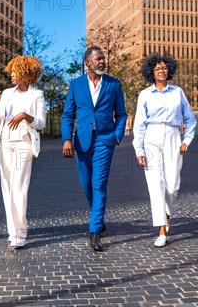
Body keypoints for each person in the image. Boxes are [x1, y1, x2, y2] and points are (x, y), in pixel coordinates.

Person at [61, 46, 127, 252]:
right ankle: (97, 216)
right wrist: (66, 140)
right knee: (86, 183)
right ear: (88, 62)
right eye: (98, 59)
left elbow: (122, 114)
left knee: (99, 184)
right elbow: (67, 115)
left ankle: (95, 231)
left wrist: (117, 136)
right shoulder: (76, 85)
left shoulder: (114, 84)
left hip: (105, 141)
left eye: (103, 59)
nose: (102, 62)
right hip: (81, 141)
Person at [132, 54, 196, 248]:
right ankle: (161, 230)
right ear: (151, 72)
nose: (162, 71)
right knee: (155, 183)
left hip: (172, 135)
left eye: (165, 68)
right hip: (151, 136)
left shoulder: (177, 92)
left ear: (170, 70)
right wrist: (139, 150)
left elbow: (191, 120)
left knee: (172, 185)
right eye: (158, 68)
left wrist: (187, 139)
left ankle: (166, 215)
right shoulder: (145, 94)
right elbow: (139, 125)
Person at [0, 56, 45, 250]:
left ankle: (20, 233)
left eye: (14, 71)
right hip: (5, 142)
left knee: (19, 187)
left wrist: (25, 116)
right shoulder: (7, 93)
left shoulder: (36, 95)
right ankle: (13, 232)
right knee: (7, 188)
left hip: (24, 144)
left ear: (26, 73)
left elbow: (41, 123)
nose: (11, 74)